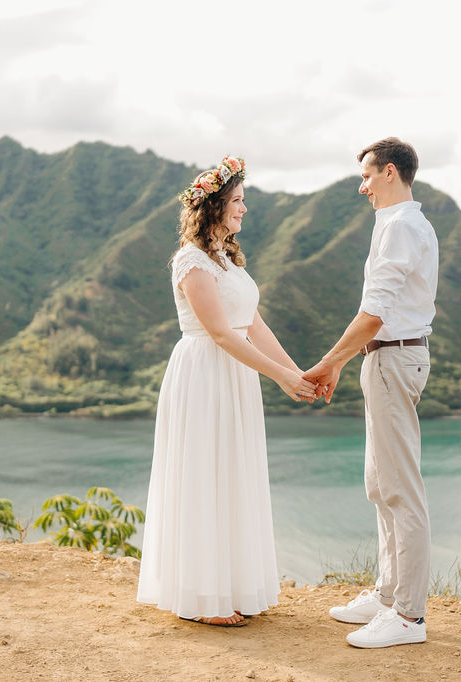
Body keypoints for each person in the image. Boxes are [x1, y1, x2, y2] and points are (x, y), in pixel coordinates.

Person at [136, 156, 316, 627]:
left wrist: (299, 372)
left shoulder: (227, 261)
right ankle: (203, 598)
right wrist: (279, 377)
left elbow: (253, 324)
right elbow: (219, 332)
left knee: (233, 475)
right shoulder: (191, 261)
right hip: (205, 375)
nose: (244, 209)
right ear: (214, 206)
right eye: (237, 201)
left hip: (237, 375)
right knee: (204, 476)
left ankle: (232, 587)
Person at [304, 137, 439, 648]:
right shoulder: (396, 224)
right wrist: (347, 359)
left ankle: (408, 616)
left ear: (388, 172)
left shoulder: (402, 225)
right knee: (380, 483)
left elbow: (377, 311)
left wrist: (327, 363)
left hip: (393, 356)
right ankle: (387, 595)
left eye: (365, 175)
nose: (361, 187)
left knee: (401, 489)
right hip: (384, 357)